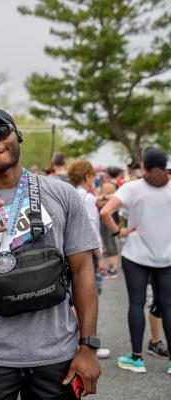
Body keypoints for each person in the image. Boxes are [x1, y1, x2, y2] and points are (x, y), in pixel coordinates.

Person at [0, 108, 101, 399]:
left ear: (18, 136)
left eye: (0, 132)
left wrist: (88, 346)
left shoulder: (61, 194)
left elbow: (82, 269)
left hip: (56, 352)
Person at [100, 147, 171, 375]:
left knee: (136, 304)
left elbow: (104, 212)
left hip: (136, 255)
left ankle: (137, 358)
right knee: (168, 306)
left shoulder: (132, 188)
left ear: (143, 167)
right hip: (167, 256)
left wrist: (117, 233)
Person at [67, 159, 112, 360]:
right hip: (87, 253)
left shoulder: (68, 194)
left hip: (68, 252)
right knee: (88, 297)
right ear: (87, 177)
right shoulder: (88, 198)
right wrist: (101, 256)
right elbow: (91, 228)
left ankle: (74, 340)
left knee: (71, 298)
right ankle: (86, 342)